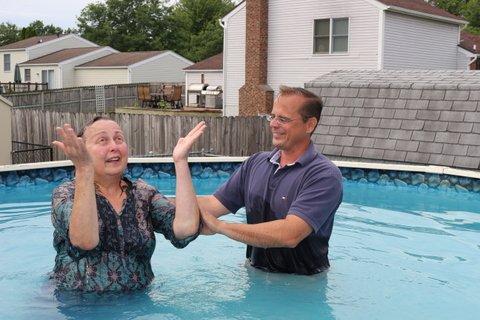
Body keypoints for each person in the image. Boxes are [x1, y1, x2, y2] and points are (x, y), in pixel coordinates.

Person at [199, 86, 343, 275]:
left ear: (309, 125)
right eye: (272, 116)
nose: (273, 124)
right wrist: (154, 199)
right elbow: (213, 204)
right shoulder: (256, 163)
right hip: (255, 274)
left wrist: (221, 227)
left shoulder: (324, 175)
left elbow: (290, 234)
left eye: (283, 119)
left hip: (302, 286)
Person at [50, 116, 205, 292]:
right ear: (83, 151)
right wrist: (84, 168)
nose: (114, 146)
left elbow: (186, 228)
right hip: (78, 305)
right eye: (103, 140)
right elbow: (85, 242)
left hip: (138, 305)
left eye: (119, 139)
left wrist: (181, 162)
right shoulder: (65, 194)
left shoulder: (143, 193)